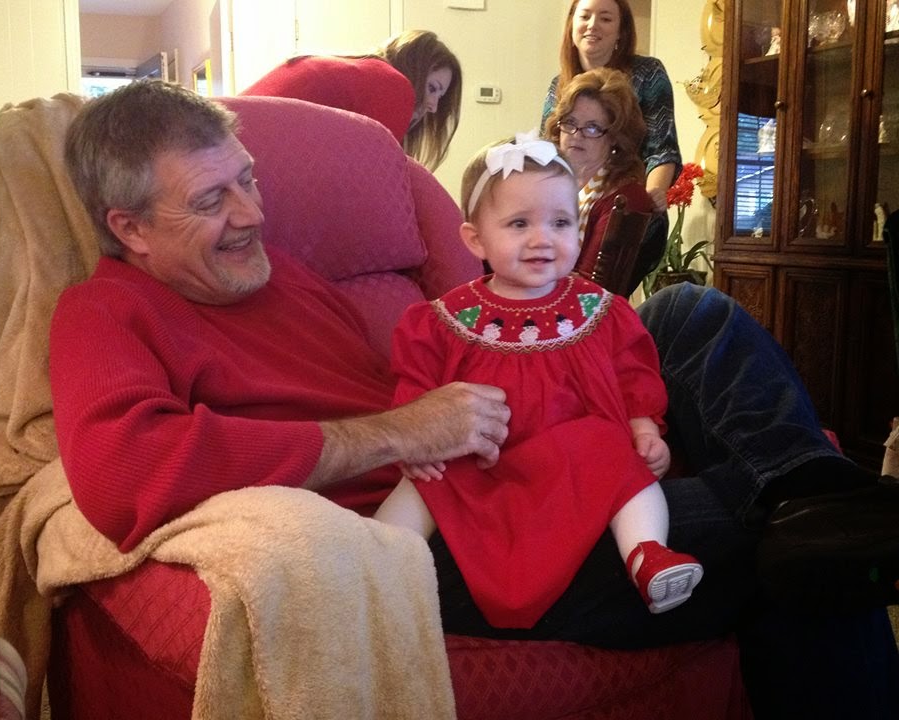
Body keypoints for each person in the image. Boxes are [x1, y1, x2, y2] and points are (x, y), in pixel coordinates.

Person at [52, 79, 899, 718]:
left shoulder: (283, 276)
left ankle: (816, 489)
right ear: (130, 228)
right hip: (441, 528)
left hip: (512, 456)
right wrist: (396, 434)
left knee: (688, 316)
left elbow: (464, 334)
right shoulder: (105, 313)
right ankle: (832, 520)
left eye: (248, 180)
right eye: (211, 200)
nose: (250, 215)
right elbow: (126, 474)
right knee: (780, 541)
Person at [371, 133, 703, 627]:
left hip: (572, 456)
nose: (542, 238)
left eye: (560, 222)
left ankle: (647, 552)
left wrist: (643, 426)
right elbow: (416, 386)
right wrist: (416, 439)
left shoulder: (599, 310)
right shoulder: (443, 319)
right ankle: (371, 560)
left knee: (618, 457)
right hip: (478, 460)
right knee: (424, 482)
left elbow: (633, 373)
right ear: (476, 239)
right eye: (519, 223)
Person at [240, 29, 462, 171]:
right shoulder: (393, 85)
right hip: (252, 154)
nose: (433, 107)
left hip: (232, 141)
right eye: (432, 88)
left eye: (439, 96)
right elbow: (379, 175)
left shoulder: (361, 71)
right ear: (416, 70)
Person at [541, 0, 680, 216]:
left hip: (628, 207)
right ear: (571, 25)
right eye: (585, 16)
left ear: (621, 32)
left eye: (605, 19)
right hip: (569, 207)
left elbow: (662, 150)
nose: (592, 25)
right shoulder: (557, 85)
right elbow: (547, 150)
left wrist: (648, 199)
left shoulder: (648, 74)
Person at [544, 66, 655, 283]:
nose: (577, 135)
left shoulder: (626, 197)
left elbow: (593, 289)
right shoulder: (549, 185)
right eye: (570, 123)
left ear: (616, 137)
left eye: (592, 127)